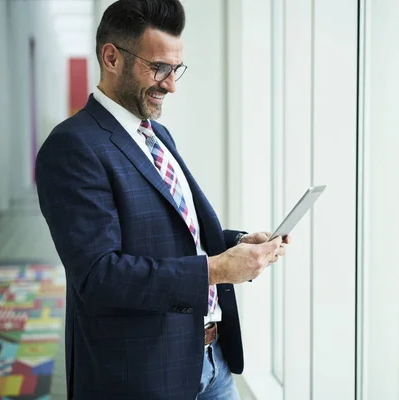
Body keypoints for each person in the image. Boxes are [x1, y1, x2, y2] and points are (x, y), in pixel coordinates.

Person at [35, 0, 289, 398]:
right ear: (111, 57)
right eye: (159, 68)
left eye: (176, 69)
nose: (171, 84)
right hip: (143, 376)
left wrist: (237, 245)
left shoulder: (156, 135)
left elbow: (173, 234)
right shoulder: (72, 146)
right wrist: (216, 269)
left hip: (211, 360)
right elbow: (100, 276)